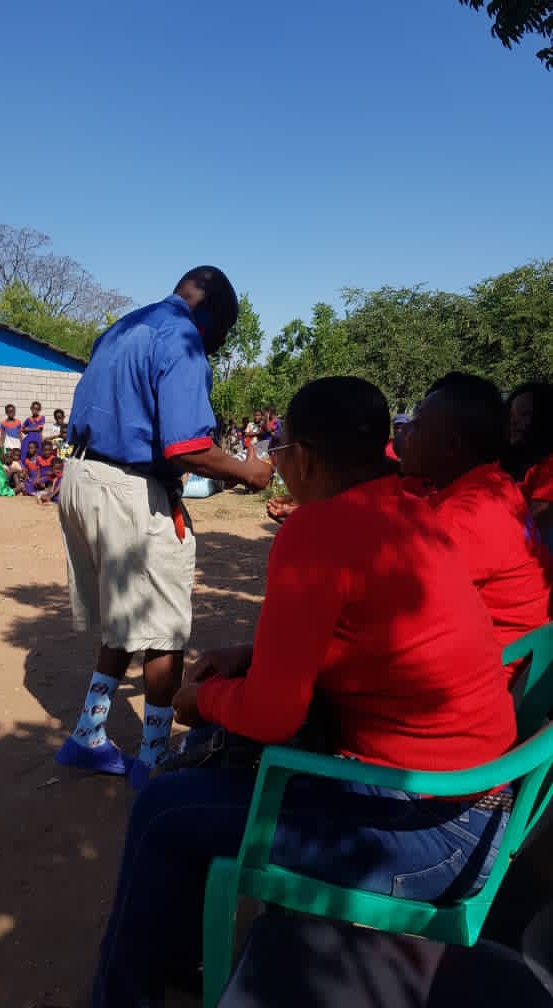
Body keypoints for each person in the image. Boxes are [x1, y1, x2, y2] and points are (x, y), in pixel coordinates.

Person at [91, 377, 517, 1007]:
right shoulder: (408, 508)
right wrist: (249, 657)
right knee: (218, 765)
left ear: (307, 459)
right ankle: (173, 961)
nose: (278, 463)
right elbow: (357, 636)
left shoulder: (318, 531)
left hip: (429, 833)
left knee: (166, 807)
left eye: (281, 450)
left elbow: (270, 715)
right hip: (474, 811)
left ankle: (126, 994)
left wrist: (200, 700)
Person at [54, 265, 272, 789]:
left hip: (81, 477)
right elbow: (186, 447)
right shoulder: (182, 338)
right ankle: (154, 759)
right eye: (223, 332)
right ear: (212, 313)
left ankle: (88, 734)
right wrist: (247, 472)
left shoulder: (127, 327)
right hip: (129, 489)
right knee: (164, 630)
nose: (218, 344)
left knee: (126, 617)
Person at [401, 372, 551, 676]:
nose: (405, 433)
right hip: (512, 656)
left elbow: (393, 609)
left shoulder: (466, 516)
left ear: (451, 445)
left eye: (417, 424)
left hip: (496, 673)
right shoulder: (493, 483)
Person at [505, 381, 553, 552]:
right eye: (511, 415)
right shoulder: (510, 462)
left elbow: (536, 521)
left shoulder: (549, 466)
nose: (514, 422)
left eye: (524, 414)